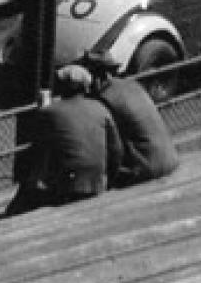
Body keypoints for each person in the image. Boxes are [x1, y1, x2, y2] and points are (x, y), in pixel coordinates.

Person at [7, 64, 121, 215]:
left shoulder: (51, 112)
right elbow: (116, 150)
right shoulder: (100, 108)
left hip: (68, 186)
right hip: (98, 182)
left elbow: (38, 146)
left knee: (27, 194)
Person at [82, 52, 180, 187]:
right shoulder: (132, 84)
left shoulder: (105, 97)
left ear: (94, 76)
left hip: (148, 168)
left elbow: (113, 146)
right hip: (172, 159)